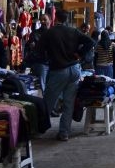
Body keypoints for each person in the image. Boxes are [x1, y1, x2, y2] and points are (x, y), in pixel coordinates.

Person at [38, 10, 94, 141]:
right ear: (66, 19)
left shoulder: (49, 33)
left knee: (48, 102)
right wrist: (80, 54)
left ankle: (39, 129)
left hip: (58, 70)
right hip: (74, 69)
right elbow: (91, 42)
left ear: (54, 18)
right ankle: (64, 133)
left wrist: (48, 58)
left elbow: (39, 52)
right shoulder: (73, 31)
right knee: (69, 103)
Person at [25, 14, 50, 90]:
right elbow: (31, 47)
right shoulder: (35, 33)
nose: (43, 21)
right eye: (41, 20)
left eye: (45, 19)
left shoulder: (53, 33)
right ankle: (43, 101)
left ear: (49, 21)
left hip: (52, 64)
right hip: (40, 63)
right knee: (42, 86)